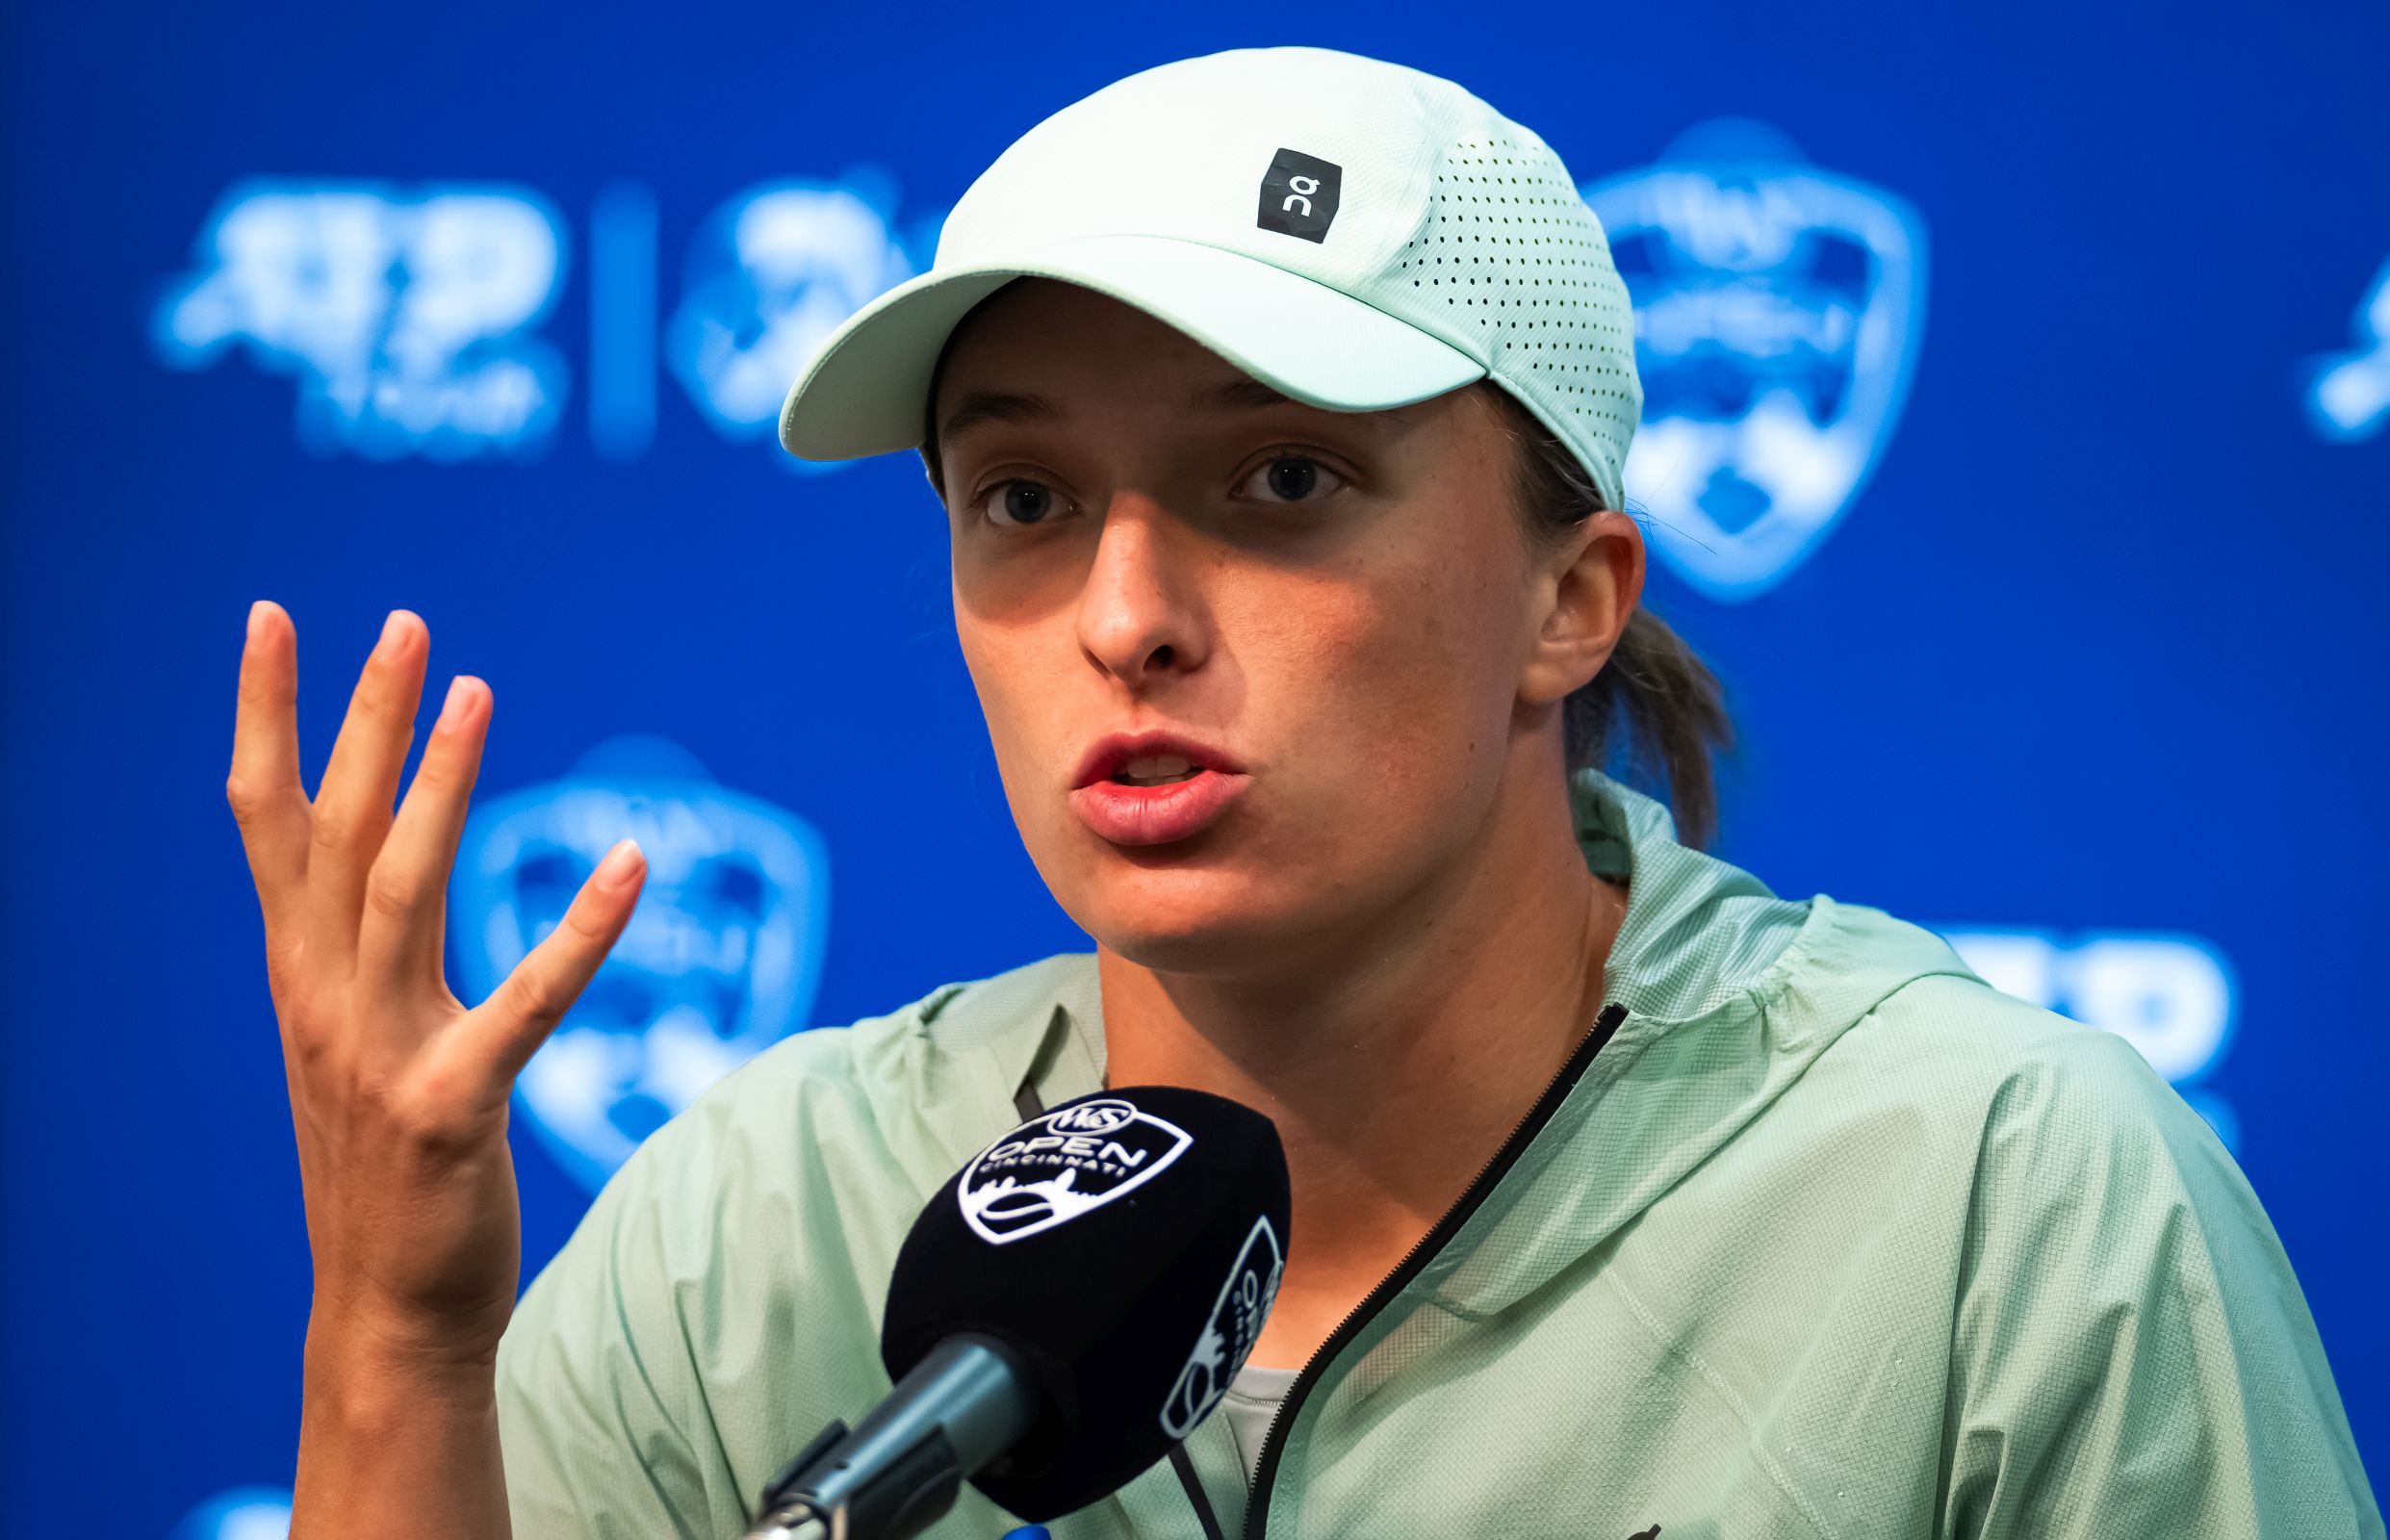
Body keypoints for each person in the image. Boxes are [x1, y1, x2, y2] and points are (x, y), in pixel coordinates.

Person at [229, 44, 2382, 1540]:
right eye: (1023, 497)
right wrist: (399, 1334)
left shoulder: (1996, 1198)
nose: (1125, 617)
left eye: (1281, 478)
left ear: (1569, 600)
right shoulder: (757, 1223)